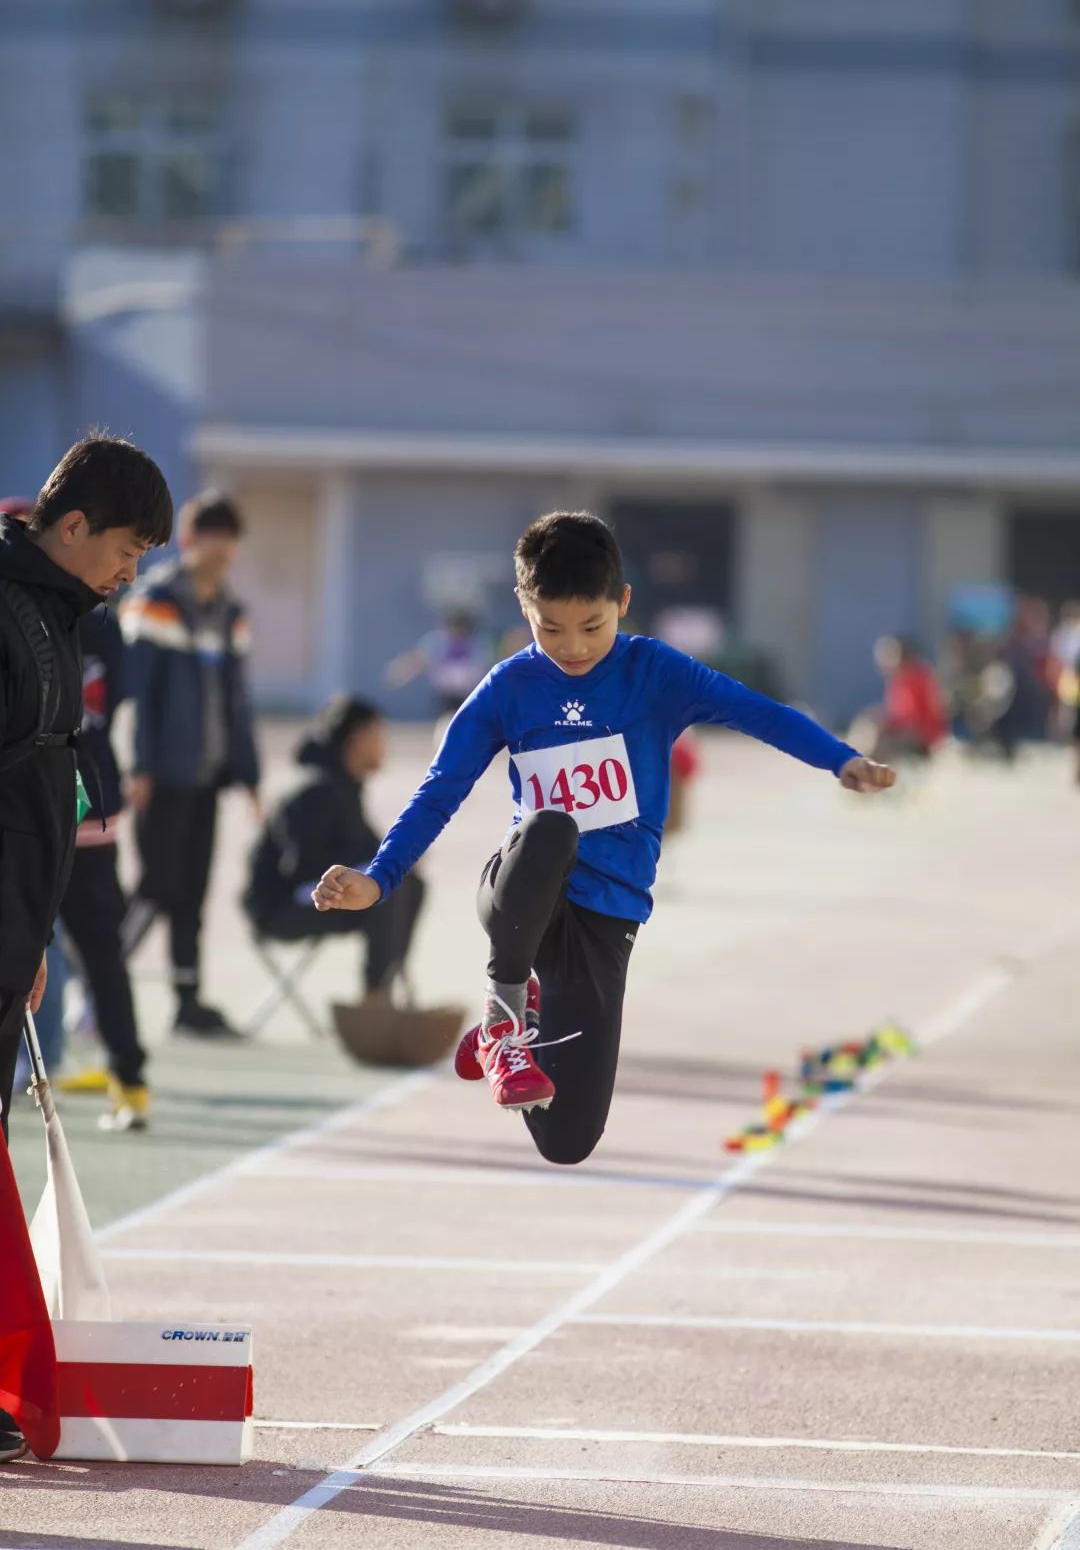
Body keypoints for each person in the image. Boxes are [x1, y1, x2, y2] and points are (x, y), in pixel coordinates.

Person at [313, 511, 895, 1166]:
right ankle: (505, 1014)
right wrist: (379, 878)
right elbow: (439, 789)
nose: (573, 647)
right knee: (551, 828)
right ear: (524, 606)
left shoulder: (655, 673)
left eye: (592, 627)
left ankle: (516, 1025)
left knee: (568, 1141)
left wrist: (840, 759)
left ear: (623, 601)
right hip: (523, 897)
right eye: (550, 628)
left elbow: (759, 712)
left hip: (605, 918)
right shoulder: (508, 688)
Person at [0, 438, 171, 1460]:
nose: (131, 572)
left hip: (16, 920)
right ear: (71, 528)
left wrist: (31, 939)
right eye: (126, 549)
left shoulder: (61, 614)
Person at [121, 491, 260, 1039]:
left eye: (229, 539)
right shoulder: (155, 602)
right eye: (212, 537)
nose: (222, 549)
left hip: (207, 780)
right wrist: (138, 766)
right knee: (157, 885)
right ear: (189, 540)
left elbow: (238, 703)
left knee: (192, 895)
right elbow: (135, 695)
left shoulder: (231, 614)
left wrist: (249, 776)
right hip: (161, 777)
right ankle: (97, 987)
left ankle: (187, 1002)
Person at [245, 695, 426, 1011]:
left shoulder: (345, 788)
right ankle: (374, 1000)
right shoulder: (316, 792)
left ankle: (386, 987)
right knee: (387, 891)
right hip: (281, 906)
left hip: (318, 896)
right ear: (355, 740)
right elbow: (301, 867)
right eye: (377, 735)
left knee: (406, 882)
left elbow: (367, 851)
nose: (384, 745)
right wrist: (363, 871)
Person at [57, 603, 151, 1130]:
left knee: (94, 952)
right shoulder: (100, 619)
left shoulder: (95, 620)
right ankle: (130, 1081)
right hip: (82, 798)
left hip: (62, 806)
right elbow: (126, 709)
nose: (127, 574)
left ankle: (128, 1079)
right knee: (101, 953)